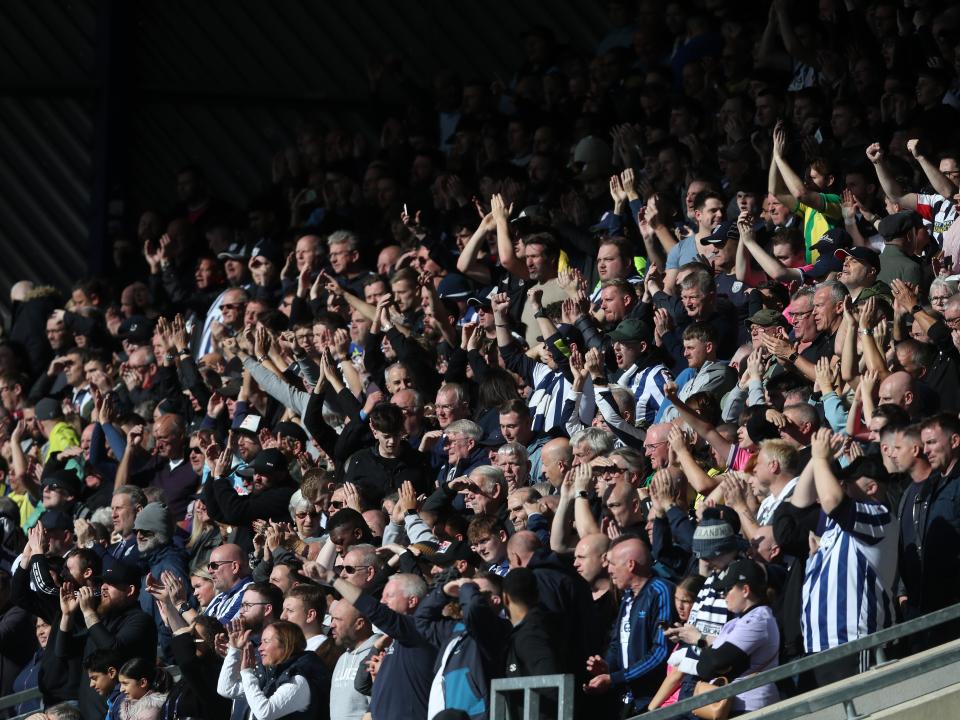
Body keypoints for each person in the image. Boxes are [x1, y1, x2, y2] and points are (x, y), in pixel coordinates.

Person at [583, 536, 673, 713]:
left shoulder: (660, 591)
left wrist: (616, 677)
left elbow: (661, 651)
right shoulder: (627, 597)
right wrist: (607, 666)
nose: (608, 570)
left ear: (630, 565)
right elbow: (617, 643)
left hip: (656, 699)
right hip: (629, 697)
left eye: (612, 564)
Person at [692, 559, 780, 715]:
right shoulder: (737, 621)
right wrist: (711, 657)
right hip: (734, 705)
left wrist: (710, 654)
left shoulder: (758, 620)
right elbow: (706, 667)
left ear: (745, 590)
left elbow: (713, 663)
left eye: (727, 589)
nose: (723, 596)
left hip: (751, 707)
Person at [218, 619, 330, 720]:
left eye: (266, 641)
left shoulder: (298, 679)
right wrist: (235, 650)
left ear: (286, 644)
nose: (260, 648)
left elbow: (265, 713)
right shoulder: (270, 673)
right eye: (261, 642)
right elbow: (226, 689)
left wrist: (247, 673)